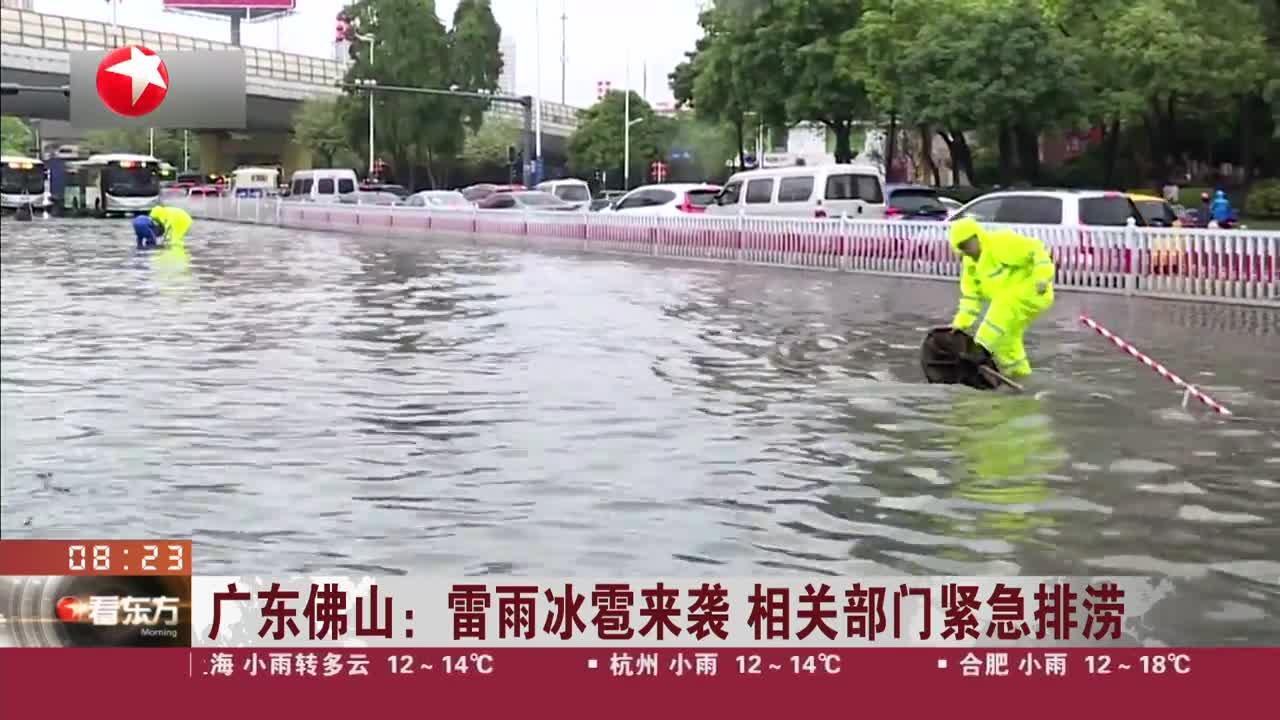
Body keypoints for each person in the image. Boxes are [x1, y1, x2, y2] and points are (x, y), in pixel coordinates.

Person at [947, 216, 1055, 380]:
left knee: (1003, 303)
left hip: (1033, 291)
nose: (965, 250)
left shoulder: (1000, 243)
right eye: (961, 247)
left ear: (977, 236)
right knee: (1006, 341)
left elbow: (1036, 250)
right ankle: (1019, 375)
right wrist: (959, 325)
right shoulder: (970, 267)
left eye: (966, 244)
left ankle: (981, 347)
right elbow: (970, 299)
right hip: (1009, 307)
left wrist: (1042, 276)